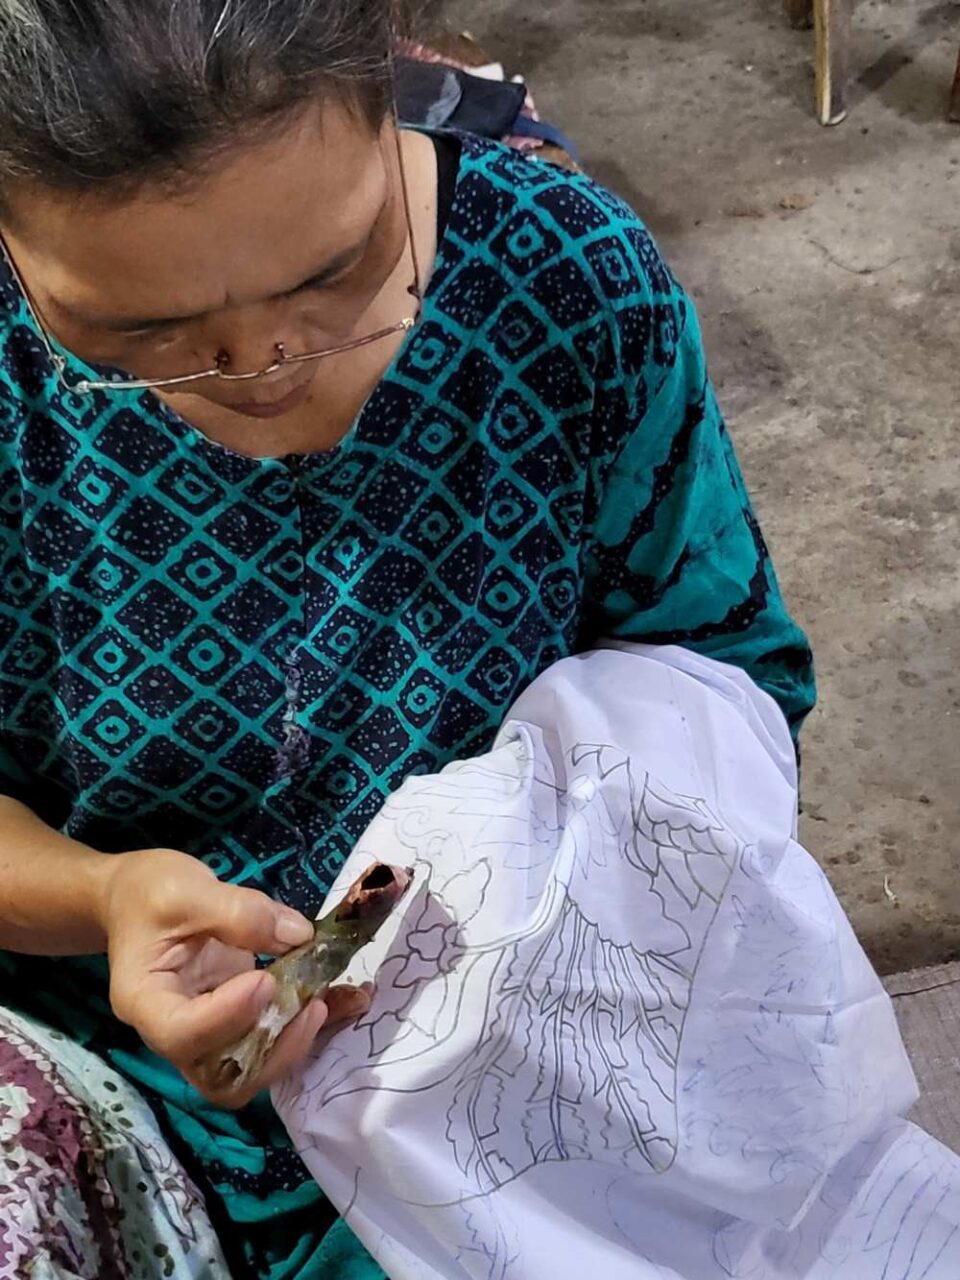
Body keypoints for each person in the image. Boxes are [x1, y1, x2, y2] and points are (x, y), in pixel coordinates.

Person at [0, 1, 815, 1276]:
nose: (264, 365)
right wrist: (101, 898)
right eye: (138, 332)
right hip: (130, 1069)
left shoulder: (565, 284)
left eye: (331, 270)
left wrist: (579, 906)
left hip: (545, 1024)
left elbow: (721, 654)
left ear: (392, 94)